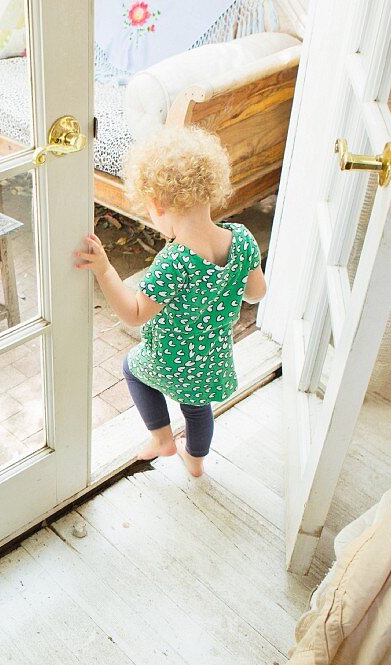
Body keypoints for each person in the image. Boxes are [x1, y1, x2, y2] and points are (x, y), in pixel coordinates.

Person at [76, 126, 266, 477]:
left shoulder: (174, 261)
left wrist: (104, 270)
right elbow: (257, 293)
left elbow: (134, 314)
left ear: (158, 205)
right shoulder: (242, 239)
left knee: (133, 368)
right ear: (211, 188)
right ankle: (194, 463)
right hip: (211, 357)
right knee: (197, 408)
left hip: (169, 360)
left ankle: (162, 439)